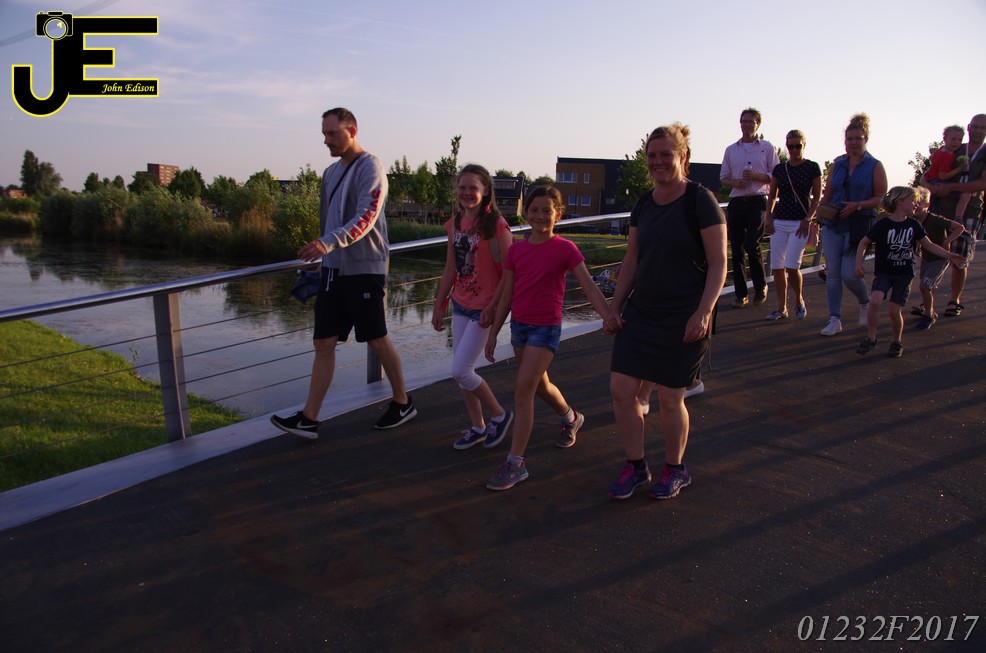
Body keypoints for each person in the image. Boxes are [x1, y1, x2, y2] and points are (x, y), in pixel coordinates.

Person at [271, 107, 416, 438]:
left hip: (364, 268)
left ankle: (403, 401)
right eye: (324, 134)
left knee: (376, 337)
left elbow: (366, 216)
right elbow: (329, 219)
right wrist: (323, 259)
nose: (327, 140)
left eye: (332, 133)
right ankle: (309, 418)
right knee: (323, 342)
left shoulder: (371, 167)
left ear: (352, 131)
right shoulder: (329, 173)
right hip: (333, 270)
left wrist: (326, 244)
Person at [605, 123, 727, 500]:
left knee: (670, 398)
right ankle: (636, 465)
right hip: (643, 311)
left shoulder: (700, 201)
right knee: (622, 389)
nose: (657, 161)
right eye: (652, 155)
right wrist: (614, 307)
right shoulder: (644, 204)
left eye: (665, 154)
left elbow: (719, 262)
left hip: (685, 313)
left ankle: (676, 468)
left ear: (682, 157)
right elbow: (632, 260)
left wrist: (703, 313)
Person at [482, 186, 612, 491]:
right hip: (520, 328)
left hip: (546, 329)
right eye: (534, 210)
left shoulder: (565, 248)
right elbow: (507, 294)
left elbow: (589, 286)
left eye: (546, 210)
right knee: (540, 385)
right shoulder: (516, 251)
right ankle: (571, 417)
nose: (540, 216)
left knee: (523, 389)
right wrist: (493, 333)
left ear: (558, 214)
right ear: (526, 213)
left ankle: (515, 463)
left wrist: (608, 315)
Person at [431, 164, 514, 450]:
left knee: (461, 370)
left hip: (484, 309)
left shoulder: (497, 227)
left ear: (486, 191)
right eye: (462, 187)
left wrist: (493, 307)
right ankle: (478, 426)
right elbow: (450, 268)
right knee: (461, 373)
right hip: (461, 305)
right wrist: (439, 305)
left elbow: (510, 274)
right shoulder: (455, 223)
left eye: (473, 188)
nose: (466, 192)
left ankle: (500, 415)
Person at [854, 187, 964, 358]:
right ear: (900, 202)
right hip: (884, 273)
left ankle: (896, 341)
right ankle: (871, 338)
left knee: (893, 311)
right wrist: (858, 265)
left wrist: (949, 255)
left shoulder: (914, 225)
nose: (916, 205)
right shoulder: (883, 224)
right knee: (875, 301)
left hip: (903, 275)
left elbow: (929, 245)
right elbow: (863, 242)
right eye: (913, 201)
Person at [817, 113, 887, 336]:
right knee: (833, 273)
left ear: (866, 139)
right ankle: (834, 318)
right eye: (850, 139)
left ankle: (864, 301)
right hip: (833, 223)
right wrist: (819, 215)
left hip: (859, 225)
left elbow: (881, 198)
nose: (854, 143)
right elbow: (828, 194)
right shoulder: (838, 164)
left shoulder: (875, 166)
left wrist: (858, 205)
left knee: (849, 274)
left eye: (858, 138)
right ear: (845, 141)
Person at [720, 108, 780, 308]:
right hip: (737, 200)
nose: (746, 125)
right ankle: (741, 294)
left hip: (758, 200)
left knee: (751, 243)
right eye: (744, 121)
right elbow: (723, 177)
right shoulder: (731, 149)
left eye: (750, 121)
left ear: (757, 124)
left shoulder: (767, 147)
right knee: (736, 249)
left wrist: (756, 176)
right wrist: (735, 182)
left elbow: (776, 176)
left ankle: (760, 286)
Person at [928, 113, 986, 316]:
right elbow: (932, 173)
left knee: (960, 257)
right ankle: (928, 300)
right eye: (975, 126)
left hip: (969, 210)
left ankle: (954, 300)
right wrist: (931, 186)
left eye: (983, 128)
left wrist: (951, 187)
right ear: (969, 127)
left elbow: (983, 183)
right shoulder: (955, 147)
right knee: (935, 253)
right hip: (942, 208)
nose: (978, 131)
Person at [763, 129, 822, 320]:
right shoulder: (780, 169)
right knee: (777, 267)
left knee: (792, 265)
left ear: (804, 146)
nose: (794, 150)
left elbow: (816, 198)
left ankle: (798, 300)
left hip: (799, 222)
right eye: (790, 146)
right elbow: (772, 195)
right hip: (780, 220)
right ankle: (782, 308)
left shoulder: (812, 167)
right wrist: (768, 217)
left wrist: (808, 219)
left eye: (798, 146)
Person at [910, 186, 964, 330]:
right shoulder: (913, 220)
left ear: (927, 205)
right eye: (913, 202)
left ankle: (929, 314)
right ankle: (927, 307)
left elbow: (959, 228)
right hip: (927, 258)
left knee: (925, 285)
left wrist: (947, 241)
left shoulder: (934, 219)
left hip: (940, 258)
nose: (915, 206)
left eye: (919, 202)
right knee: (928, 285)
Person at [922, 125, 972, 223]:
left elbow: (933, 158)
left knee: (932, 205)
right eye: (953, 139)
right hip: (938, 182)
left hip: (931, 180)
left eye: (959, 139)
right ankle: (958, 219)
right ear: (945, 139)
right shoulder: (946, 156)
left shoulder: (941, 150)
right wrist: (959, 168)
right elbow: (943, 176)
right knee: (966, 194)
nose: (956, 142)